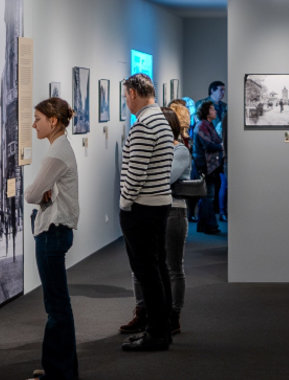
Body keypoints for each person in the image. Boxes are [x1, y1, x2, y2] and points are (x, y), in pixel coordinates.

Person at [119, 107, 191, 337]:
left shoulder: (179, 151)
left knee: (171, 267)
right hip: (152, 210)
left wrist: (141, 172)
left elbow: (162, 178)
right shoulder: (161, 151)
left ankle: (172, 315)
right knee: (142, 266)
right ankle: (144, 312)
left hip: (173, 212)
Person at [24, 97, 79, 380]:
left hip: (52, 232)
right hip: (56, 230)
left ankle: (59, 372)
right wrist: (44, 191)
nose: (34, 124)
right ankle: (62, 368)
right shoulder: (61, 148)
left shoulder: (57, 153)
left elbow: (31, 194)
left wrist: (40, 192)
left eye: (38, 119)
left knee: (56, 306)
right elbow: (41, 191)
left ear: (53, 121)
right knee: (58, 304)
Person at [119, 73, 174, 351]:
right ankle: (162, 328)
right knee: (158, 269)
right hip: (159, 204)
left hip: (143, 208)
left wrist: (124, 202)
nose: (125, 102)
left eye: (125, 96)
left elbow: (135, 174)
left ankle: (156, 333)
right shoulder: (162, 121)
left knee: (147, 272)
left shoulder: (143, 126)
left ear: (133, 94)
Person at [193, 101, 224, 234]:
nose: (215, 111)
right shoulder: (201, 126)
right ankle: (210, 226)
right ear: (206, 112)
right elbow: (209, 144)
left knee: (207, 196)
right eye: (212, 109)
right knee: (208, 197)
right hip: (205, 166)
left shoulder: (209, 125)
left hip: (210, 166)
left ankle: (204, 225)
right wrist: (222, 147)